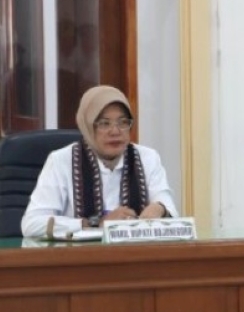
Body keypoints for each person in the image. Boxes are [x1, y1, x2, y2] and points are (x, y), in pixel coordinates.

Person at [21, 85, 178, 237]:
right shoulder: (61, 161)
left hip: (134, 253)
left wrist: (160, 208)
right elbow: (32, 224)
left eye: (123, 122)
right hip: (79, 254)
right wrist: (93, 223)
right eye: (104, 123)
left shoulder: (147, 157)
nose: (115, 131)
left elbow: (167, 204)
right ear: (88, 126)